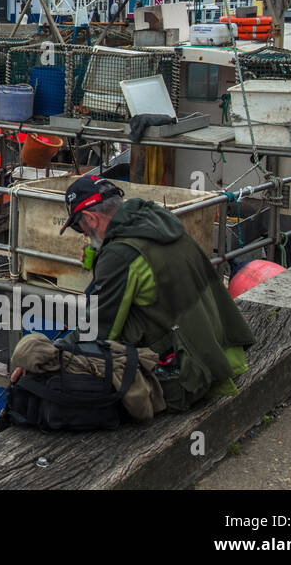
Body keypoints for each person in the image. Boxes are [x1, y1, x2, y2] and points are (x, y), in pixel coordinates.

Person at [21, 174, 254, 412]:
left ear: (90, 219)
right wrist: (100, 261)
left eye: (77, 226)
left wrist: (46, 355)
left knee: (63, 384)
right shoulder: (155, 223)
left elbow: (97, 332)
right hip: (221, 355)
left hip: (187, 378)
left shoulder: (119, 254)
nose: (82, 234)